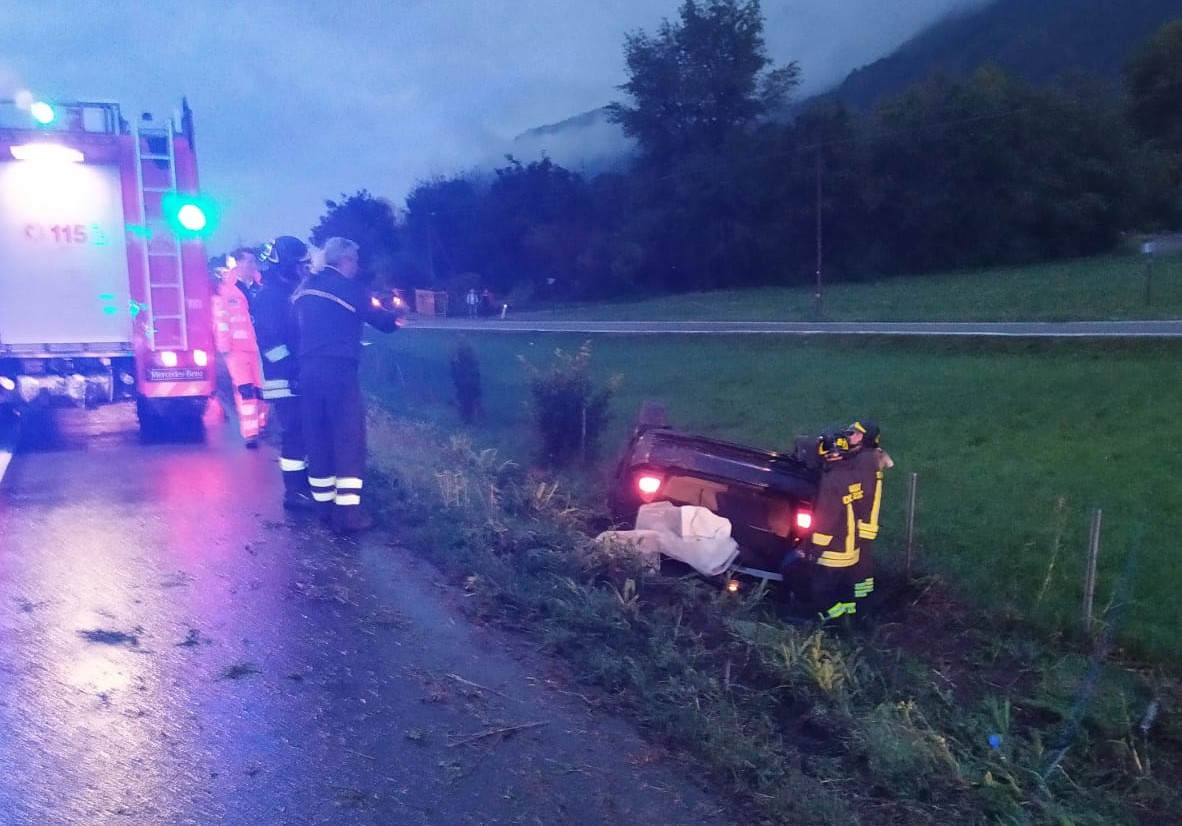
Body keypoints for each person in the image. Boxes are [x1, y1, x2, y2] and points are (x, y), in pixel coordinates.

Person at [293, 237, 401, 533]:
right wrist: (398, 315)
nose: (357, 266)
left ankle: (324, 509)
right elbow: (385, 323)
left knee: (318, 438)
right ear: (344, 261)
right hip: (338, 373)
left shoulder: (304, 289)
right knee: (348, 438)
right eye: (355, 260)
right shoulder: (351, 289)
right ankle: (349, 514)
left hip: (308, 372)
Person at [782, 422, 888, 622]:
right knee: (844, 594)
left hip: (832, 552)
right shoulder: (850, 475)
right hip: (849, 548)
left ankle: (836, 626)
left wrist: (810, 551)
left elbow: (825, 521)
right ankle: (851, 621)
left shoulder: (832, 482)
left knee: (821, 595)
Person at [253, 235, 314, 510]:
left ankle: (305, 486)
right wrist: (294, 372)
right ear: (286, 265)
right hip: (285, 380)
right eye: (299, 264)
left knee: (304, 433)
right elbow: (272, 344)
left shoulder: (289, 291)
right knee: (294, 435)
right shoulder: (270, 297)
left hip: (297, 376)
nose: (303, 268)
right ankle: (294, 492)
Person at [211, 263, 263, 447]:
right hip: (236, 350)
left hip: (257, 348)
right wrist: (224, 346)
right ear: (239, 264)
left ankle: (261, 425)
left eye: (253, 262)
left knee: (261, 390)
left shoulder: (258, 287)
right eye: (248, 262)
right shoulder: (227, 293)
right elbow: (221, 320)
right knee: (245, 390)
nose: (251, 266)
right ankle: (251, 433)